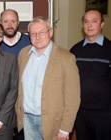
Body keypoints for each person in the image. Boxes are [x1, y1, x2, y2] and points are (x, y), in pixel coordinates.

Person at [16, 16, 81, 140]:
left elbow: (73, 98)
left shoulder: (66, 59)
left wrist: (65, 128)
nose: (37, 37)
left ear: (50, 32)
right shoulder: (23, 54)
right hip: (27, 119)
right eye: (33, 33)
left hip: (53, 122)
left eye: (41, 32)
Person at [70, 10, 111, 140]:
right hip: (81, 113)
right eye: (86, 22)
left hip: (105, 114)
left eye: (94, 21)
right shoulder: (75, 50)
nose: (89, 25)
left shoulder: (109, 49)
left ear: (102, 24)